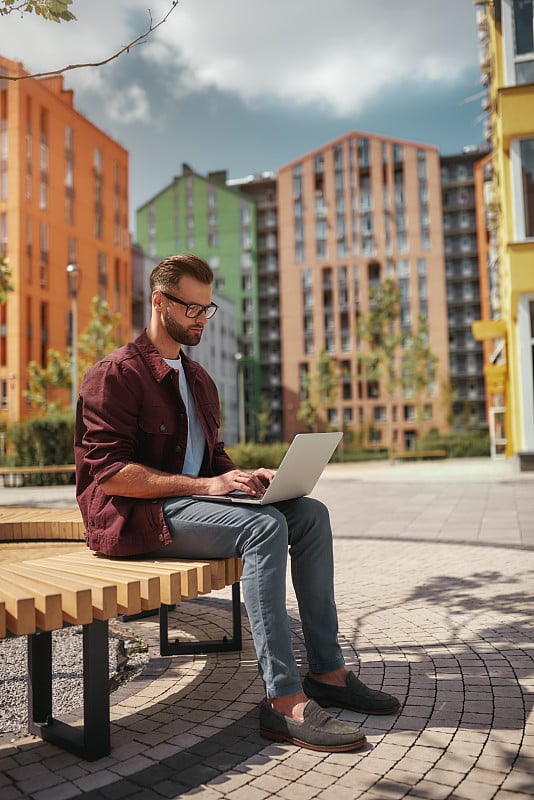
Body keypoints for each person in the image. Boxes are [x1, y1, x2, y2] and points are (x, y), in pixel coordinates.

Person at [75, 253, 400, 753]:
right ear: (159, 302)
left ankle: (328, 672)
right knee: (265, 527)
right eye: (191, 309)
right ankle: (282, 699)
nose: (202, 319)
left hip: (192, 506)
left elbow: (212, 456)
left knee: (310, 514)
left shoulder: (199, 379)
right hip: (138, 518)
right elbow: (112, 476)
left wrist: (244, 478)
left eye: (207, 310)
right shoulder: (114, 375)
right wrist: (207, 487)